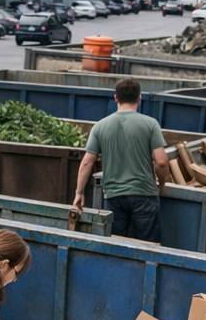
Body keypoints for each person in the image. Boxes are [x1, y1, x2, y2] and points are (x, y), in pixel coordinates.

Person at [73, 78, 170, 243]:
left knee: (116, 245)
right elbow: (161, 162)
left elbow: (87, 162)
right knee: (148, 247)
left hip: (113, 196)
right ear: (139, 98)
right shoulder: (150, 124)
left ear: (115, 97)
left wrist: (79, 193)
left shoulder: (100, 126)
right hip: (144, 194)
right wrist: (161, 184)